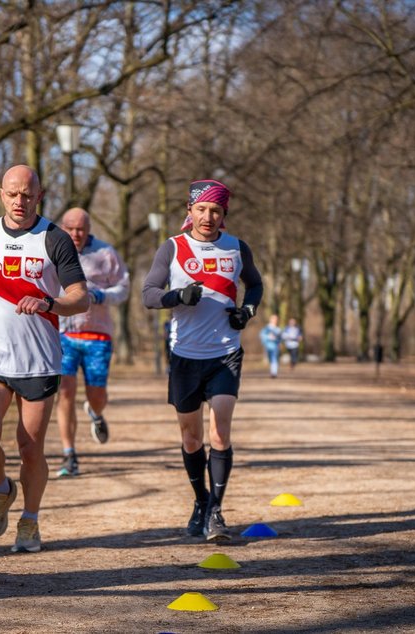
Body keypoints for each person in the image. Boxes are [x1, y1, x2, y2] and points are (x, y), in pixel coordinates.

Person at [0, 165, 88, 553]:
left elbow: (81, 296)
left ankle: (29, 520)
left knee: (30, 448)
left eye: (27, 194)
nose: (19, 201)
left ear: (39, 196)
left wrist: (50, 301)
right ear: (1, 194)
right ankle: (1, 490)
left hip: (40, 360)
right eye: (12, 194)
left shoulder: (55, 239)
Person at [142, 179, 262, 542]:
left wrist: (247, 312)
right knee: (191, 438)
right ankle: (200, 500)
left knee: (220, 431)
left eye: (215, 211)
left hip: (225, 352)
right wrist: (176, 296)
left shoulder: (236, 248)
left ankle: (216, 513)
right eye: (201, 210)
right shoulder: (173, 247)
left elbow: (254, 285)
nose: (207, 217)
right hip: (184, 356)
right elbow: (148, 294)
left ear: (223, 215)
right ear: (189, 212)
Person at [54, 207, 130, 477]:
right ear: (62, 226)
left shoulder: (105, 253)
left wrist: (101, 296)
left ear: (88, 228)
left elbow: (123, 288)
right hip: (63, 334)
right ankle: (69, 455)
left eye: (80, 229)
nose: (75, 233)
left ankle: (95, 413)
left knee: (96, 395)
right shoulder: (52, 248)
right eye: (70, 228)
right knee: (64, 392)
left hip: (97, 335)